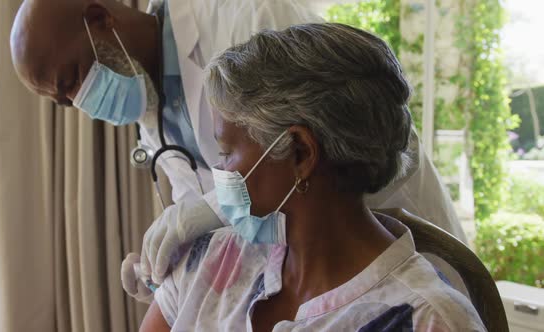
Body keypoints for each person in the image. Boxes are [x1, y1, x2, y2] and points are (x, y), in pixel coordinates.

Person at [9, 0, 465, 302]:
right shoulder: (149, 103)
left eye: (72, 80)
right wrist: (170, 263)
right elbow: (221, 208)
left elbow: (331, 140)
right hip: (301, 279)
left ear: (100, 19)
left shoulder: (247, 12)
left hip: (385, 232)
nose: (79, 104)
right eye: (62, 101)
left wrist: (204, 215)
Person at [139, 23, 486, 331]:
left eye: (227, 152)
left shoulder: (428, 320)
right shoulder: (213, 259)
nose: (219, 172)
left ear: (301, 152)